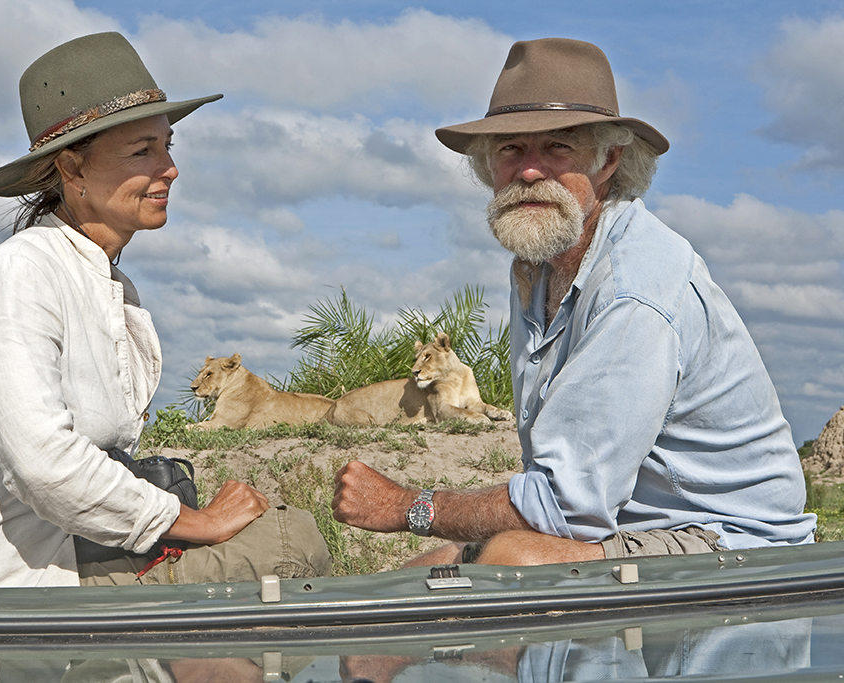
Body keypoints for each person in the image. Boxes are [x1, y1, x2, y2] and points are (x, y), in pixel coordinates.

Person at [332, 37, 815, 567]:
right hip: (627, 530)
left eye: (558, 147)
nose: (530, 171)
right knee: (425, 571)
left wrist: (407, 507)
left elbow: (565, 505)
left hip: (737, 545)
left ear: (609, 160)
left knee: (511, 561)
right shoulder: (537, 265)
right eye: (510, 149)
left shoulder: (634, 288)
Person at [0, 32, 330, 587]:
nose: (170, 169)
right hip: (18, 588)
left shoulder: (106, 283)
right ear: (71, 169)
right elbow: (44, 465)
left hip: (80, 557)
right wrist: (193, 522)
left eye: (168, 146)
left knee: (284, 527)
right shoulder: (20, 272)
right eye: (142, 151)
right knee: (287, 542)